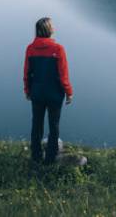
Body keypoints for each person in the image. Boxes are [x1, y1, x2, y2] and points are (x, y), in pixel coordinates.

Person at [23, 17, 73, 164]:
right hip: (54, 94)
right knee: (54, 125)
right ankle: (51, 157)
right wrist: (69, 92)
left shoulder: (30, 49)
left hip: (37, 93)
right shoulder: (58, 49)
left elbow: (27, 72)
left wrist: (27, 90)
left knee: (36, 124)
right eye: (52, 26)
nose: (54, 28)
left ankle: (36, 156)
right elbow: (63, 75)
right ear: (48, 29)